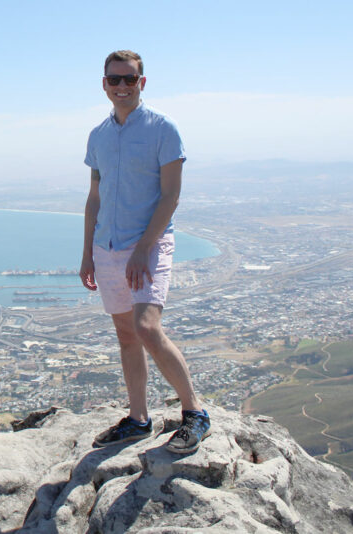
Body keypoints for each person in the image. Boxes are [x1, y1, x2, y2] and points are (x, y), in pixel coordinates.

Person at [80, 50, 210, 454]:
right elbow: (94, 197)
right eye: (114, 80)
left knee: (147, 327)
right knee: (125, 335)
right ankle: (138, 419)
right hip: (108, 247)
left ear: (142, 82)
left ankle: (195, 413)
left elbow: (170, 196)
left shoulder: (162, 129)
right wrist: (87, 253)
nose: (121, 86)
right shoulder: (99, 135)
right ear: (103, 84)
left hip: (149, 243)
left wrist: (144, 249)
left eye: (129, 79)